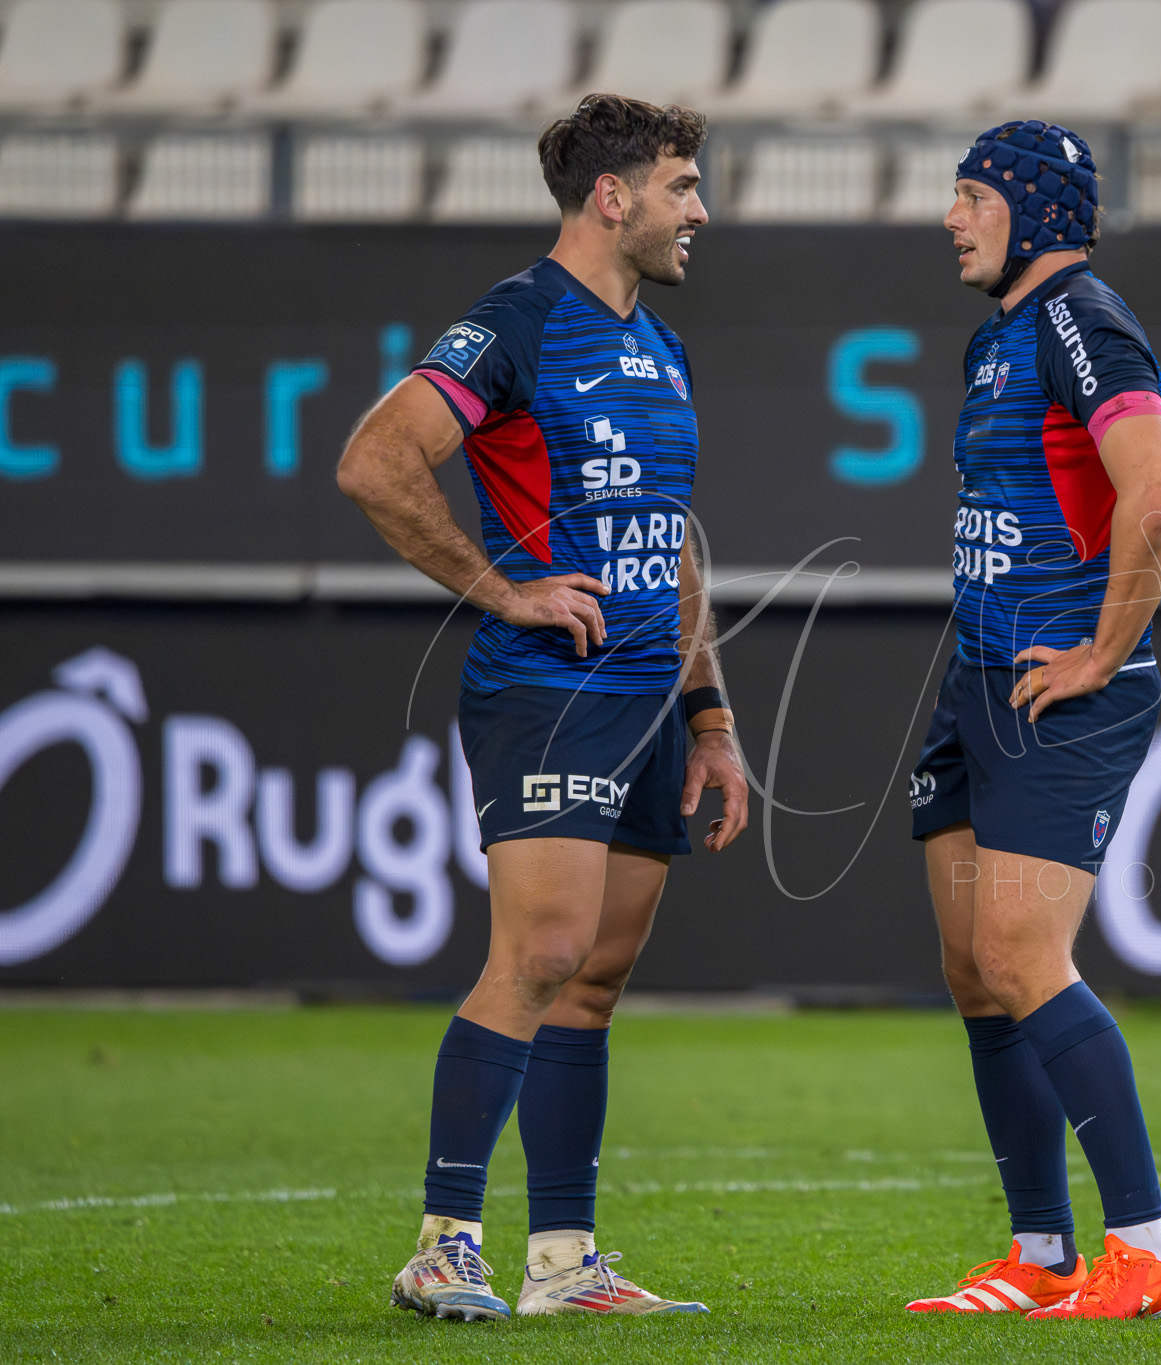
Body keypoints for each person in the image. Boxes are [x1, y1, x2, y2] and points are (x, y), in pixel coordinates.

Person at [335, 93, 747, 1323]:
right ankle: (442, 1241)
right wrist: (495, 587)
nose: (700, 211)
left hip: (647, 702)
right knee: (543, 955)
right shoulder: (514, 321)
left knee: (597, 977)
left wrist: (712, 715)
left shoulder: (663, 348)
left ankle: (563, 1263)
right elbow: (374, 457)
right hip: (548, 691)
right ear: (611, 198)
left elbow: (672, 545)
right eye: (682, 186)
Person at [902, 120, 1161, 1322]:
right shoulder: (1003, 334)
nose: (950, 216)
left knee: (1024, 959)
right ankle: (1041, 1254)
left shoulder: (1081, 317)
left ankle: (1150, 1251)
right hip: (977, 680)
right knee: (976, 973)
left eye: (969, 194)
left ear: (1031, 210)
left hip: (1050, 689)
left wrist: (1101, 652)